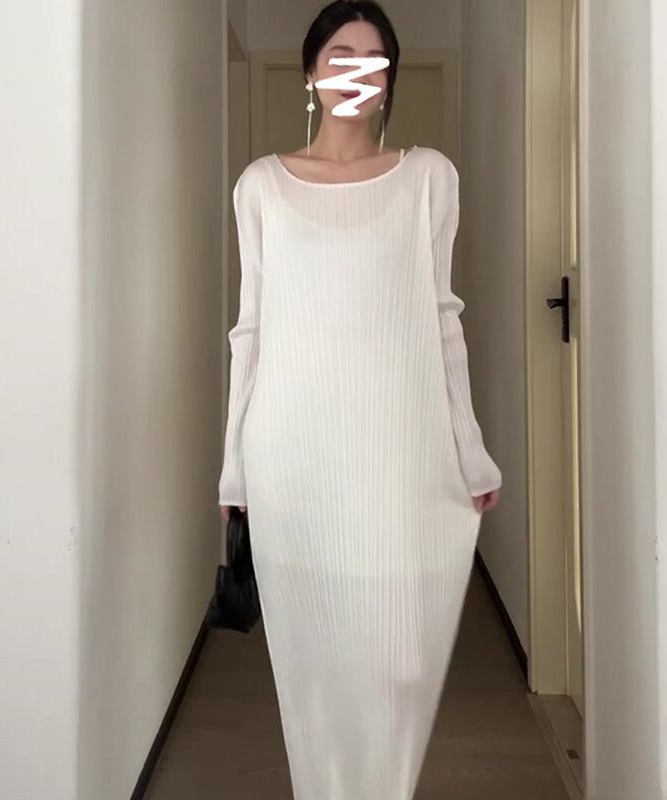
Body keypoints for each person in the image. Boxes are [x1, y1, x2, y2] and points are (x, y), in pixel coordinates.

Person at [217, 2, 501, 797]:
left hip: (398, 454)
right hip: (292, 454)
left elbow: (442, 318)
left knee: (398, 659)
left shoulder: (428, 177)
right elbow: (250, 332)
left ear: (390, 80)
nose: (356, 71)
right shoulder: (261, 186)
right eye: (339, 55)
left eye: (374, 59)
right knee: (314, 664)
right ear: (310, 73)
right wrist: (234, 470)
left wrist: (469, 446)